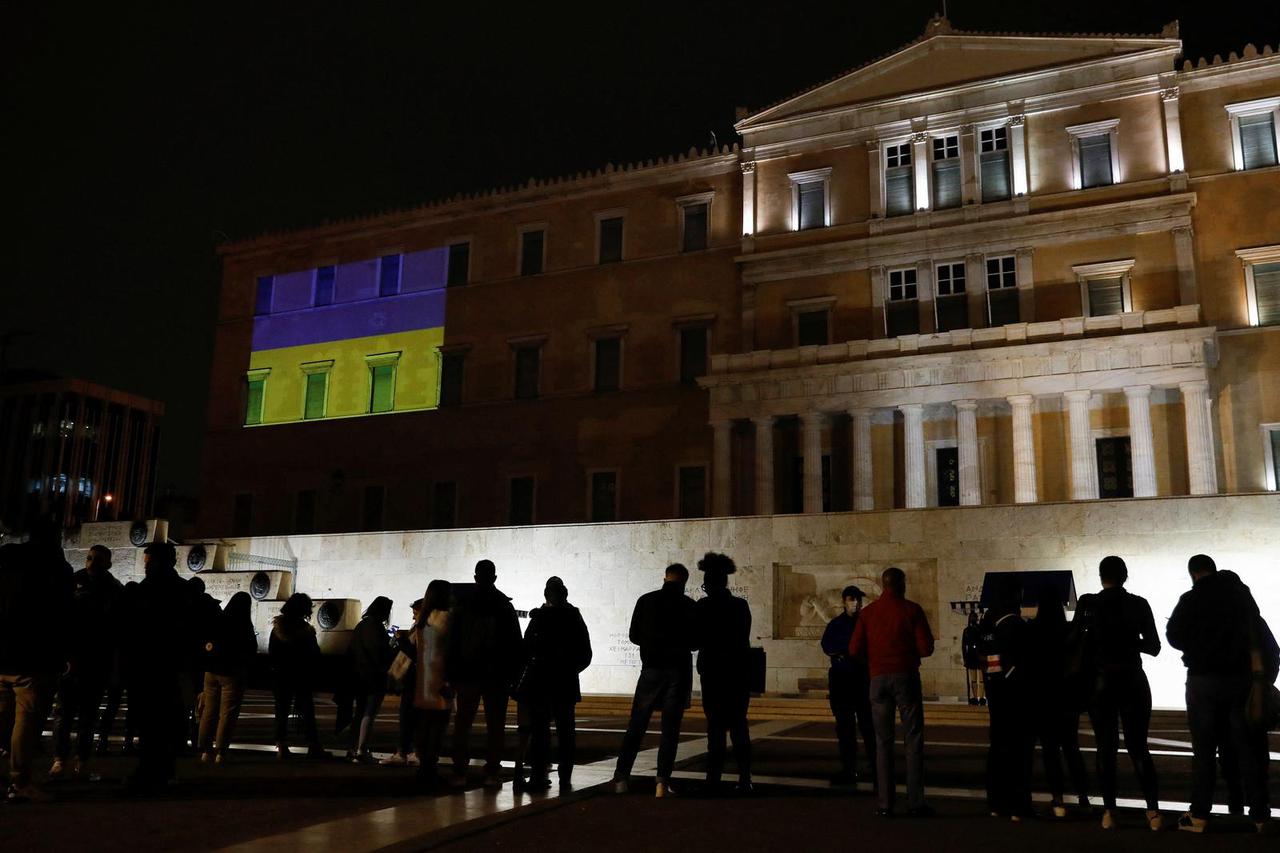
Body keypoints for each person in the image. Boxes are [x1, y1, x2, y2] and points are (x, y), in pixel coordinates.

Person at [1167, 554, 1277, 834]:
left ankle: (1200, 814)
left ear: (1193, 574)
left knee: (1203, 751)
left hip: (1203, 682)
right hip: (1240, 682)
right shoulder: (1242, 600)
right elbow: (1264, 640)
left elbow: (1174, 636)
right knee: (1249, 749)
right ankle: (1261, 816)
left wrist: (1197, 647)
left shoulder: (1190, 600)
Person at [1076, 555, 1162, 831]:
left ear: (1101, 576)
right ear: (1125, 575)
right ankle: (1153, 811)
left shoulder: (1089, 604)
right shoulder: (1138, 604)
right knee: (1138, 747)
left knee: (1105, 747)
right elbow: (1154, 646)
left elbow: (1076, 640)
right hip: (1133, 679)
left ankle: (1109, 811)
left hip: (1100, 682)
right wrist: (1130, 641)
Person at [849, 566, 935, 818]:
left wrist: (874, 661)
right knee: (913, 738)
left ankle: (885, 802)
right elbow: (926, 647)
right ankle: (915, 801)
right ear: (902, 584)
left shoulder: (869, 613)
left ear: (882, 585)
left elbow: (854, 649)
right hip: (905, 675)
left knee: (882, 741)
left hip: (877, 677)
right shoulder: (911, 610)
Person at [0, 517, 74, 803]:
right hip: (34, 656)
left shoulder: (7, 559)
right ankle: (20, 780)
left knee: (3, 718)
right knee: (26, 722)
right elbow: (63, 616)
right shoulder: (56, 568)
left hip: (3, 651)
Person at [612, 563, 699, 798]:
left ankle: (621, 777)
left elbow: (633, 635)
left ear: (665, 578)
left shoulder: (646, 601)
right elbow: (694, 643)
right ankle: (661, 782)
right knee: (670, 730)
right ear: (684, 581)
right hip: (678, 672)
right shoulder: (688, 605)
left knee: (637, 725)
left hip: (651, 668)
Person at [123, 542, 196, 794]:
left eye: (148, 562)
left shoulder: (151, 590)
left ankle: (150, 770)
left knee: (153, 722)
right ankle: (162, 769)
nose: (146, 567)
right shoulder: (182, 590)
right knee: (162, 722)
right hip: (165, 666)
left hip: (153, 666)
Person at [447, 559, 522, 787]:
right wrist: (513, 675)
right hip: (495, 674)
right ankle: (491, 771)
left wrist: (452, 673)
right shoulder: (504, 606)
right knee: (495, 726)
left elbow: (453, 642)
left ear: (476, 577)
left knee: (463, 723)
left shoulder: (463, 605)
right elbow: (515, 644)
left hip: (469, 672)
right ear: (494, 578)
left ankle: (460, 770)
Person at [50, 544, 122, 781]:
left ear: (107, 563)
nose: (91, 562)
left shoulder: (113, 589)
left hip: (96, 659)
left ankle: (81, 759)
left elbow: (115, 630)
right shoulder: (74, 582)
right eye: (89, 558)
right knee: (64, 713)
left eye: (97, 559)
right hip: (73, 658)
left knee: (88, 716)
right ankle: (60, 759)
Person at [520, 576, 592, 792]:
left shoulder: (540, 618)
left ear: (546, 597)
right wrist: (570, 670)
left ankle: (538, 775)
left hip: (541, 682)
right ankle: (565, 776)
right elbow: (585, 653)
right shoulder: (574, 618)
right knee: (566, 731)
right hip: (565, 682)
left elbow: (526, 649)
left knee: (541, 730)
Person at [1027, 590, 1091, 818]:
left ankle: (1058, 799)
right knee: (1071, 747)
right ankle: (1083, 794)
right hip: (1067, 696)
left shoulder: (1032, 631)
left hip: (1043, 697)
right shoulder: (1067, 631)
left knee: (1050, 751)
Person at [695, 552, 753, 794]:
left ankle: (714, 778)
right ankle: (745, 776)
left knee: (716, 728)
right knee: (739, 726)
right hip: (737, 673)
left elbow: (696, 638)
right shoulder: (740, 606)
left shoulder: (703, 607)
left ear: (710, 584)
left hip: (714, 673)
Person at [978, 582, 1033, 822]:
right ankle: (1019, 806)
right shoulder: (1021, 628)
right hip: (1020, 699)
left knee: (998, 749)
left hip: (998, 698)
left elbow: (990, 667)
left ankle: (997, 802)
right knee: (1020, 753)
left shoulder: (990, 631)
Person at [820, 585, 876, 788]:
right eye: (852, 599)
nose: (856, 603)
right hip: (843, 680)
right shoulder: (836, 624)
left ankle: (876, 767)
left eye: (858, 599)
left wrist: (847, 651)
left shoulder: (867, 623)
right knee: (845, 728)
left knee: (868, 725)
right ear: (844, 601)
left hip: (862, 678)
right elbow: (828, 646)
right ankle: (849, 768)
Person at [197, 591, 258, 763]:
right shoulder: (244, 624)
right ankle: (221, 751)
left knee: (209, 710)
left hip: (211, 671)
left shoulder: (220, 619)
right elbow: (250, 650)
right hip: (232, 673)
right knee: (227, 713)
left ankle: (205, 750)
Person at [269, 593, 325, 759]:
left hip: (281, 675)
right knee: (307, 711)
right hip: (301, 675)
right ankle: (313, 744)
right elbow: (314, 654)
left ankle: (281, 746)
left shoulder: (277, 629)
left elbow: (273, 653)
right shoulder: (305, 631)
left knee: (281, 710)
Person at [413, 580, 453, 787]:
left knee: (424, 728)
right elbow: (450, 651)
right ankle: (430, 769)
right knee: (437, 729)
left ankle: (424, 768)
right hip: (440, 679)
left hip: (423, 681)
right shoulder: (446, 618)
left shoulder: (422, 621)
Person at [347, 596, 395, 763]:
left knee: (360, 712)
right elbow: (380, 653)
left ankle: (353, 748)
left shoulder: (361, 626)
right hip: (374, 675)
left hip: (359, 674)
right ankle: (362, 749)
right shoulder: (375, 628)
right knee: (369, 713)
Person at [97, 580, 140, 755]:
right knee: (132, 707)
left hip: (117, 665)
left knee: (112, 705)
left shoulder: (114, 614)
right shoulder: (138, 615)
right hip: (132, 666)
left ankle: (103, 739)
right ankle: (127, 742)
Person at [381, 599, 423, 766]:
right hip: (414, 677)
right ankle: (409, 751)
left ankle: (405, 751)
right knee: (410, 716)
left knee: (408, 715)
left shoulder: (421, 628)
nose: (413, 618)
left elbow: (414, 651)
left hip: (413, 677)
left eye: (415, 613)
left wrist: (401, 640)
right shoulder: (421, 626)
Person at [185, 576, 222, 751]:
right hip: (205, 660)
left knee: (187, 700)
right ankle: (199, 738)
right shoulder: (212, 607)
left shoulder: (184, 607)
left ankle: (188, 735)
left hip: (187, 660)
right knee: (203, 702)